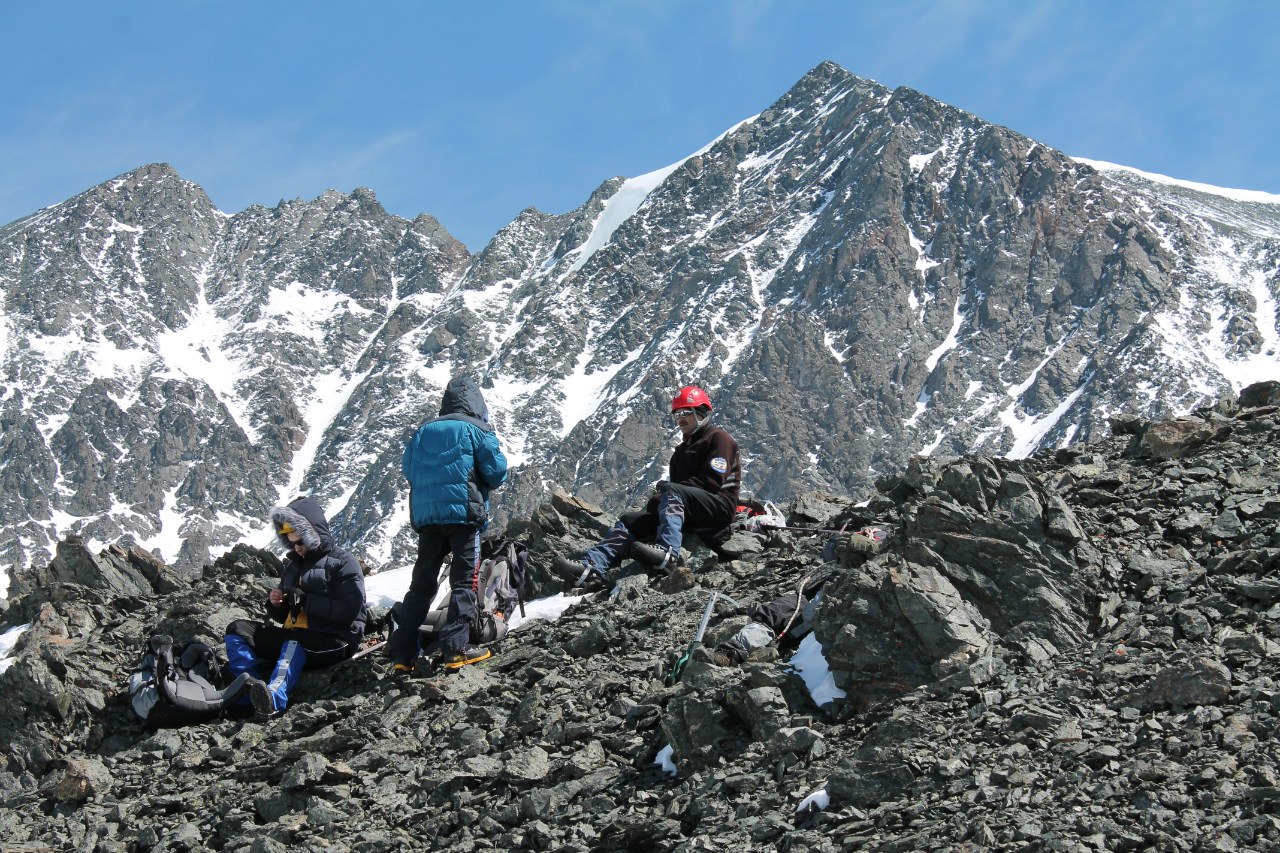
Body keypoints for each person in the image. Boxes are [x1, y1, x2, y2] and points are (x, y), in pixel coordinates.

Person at [552, 385, 741, 591]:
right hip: (689, 511)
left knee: (671, 490)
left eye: (686, 412)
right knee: (629, 520)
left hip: (719, 508)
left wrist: (667, 493)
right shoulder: (680, 452)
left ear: (701, 412)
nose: (681, 418)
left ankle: (668, 553)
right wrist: (662, 500)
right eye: (677, 414)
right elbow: (677, 494)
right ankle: (591, 567)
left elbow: (712, 481)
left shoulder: (720, 439)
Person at [387, 374, 508, 673]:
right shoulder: (478, 429)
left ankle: (402, 654)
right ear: (476, 404)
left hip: (428, 520)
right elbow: (496, 471)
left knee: (421, 585)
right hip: (464, 517)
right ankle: (457, 649)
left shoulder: (422, 432)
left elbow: (409, 470)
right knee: (464, 581)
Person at [224, 496, 367, 717]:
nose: (297, 548)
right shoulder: (293, 566)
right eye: (292, 543)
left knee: (293, 643)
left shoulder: (344, 563)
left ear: (313, 534)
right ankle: (249, 692)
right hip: (296, 634)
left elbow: (349, 611)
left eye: (300, 542)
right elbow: (286, 615)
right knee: (238, 630)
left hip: (337, 638)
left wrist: (306, 602)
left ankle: (273, 698)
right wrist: (276, 605)